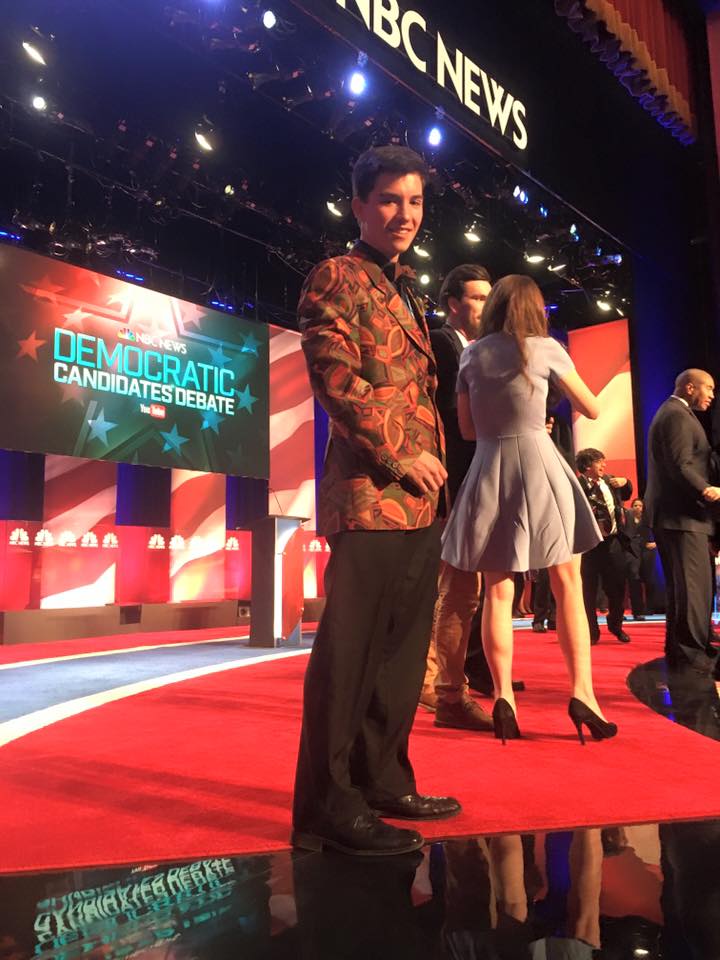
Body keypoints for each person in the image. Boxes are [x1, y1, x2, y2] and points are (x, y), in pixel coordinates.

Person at [292, 145, 460, 857]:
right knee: (350, 654)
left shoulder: (407, 287)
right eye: (390, 199)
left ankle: (383, 778)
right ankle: (326, 805)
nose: (404, 214)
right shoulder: (338, 276)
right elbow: (335, 379)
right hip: (370, 496)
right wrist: (400, 450)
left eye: (415, 201)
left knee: (399, 654)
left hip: (421, 502)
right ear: (358, 204)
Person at [441, 275, 616, 744]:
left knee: (497, 592)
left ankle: (502, 700)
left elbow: (466, 429)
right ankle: (583, 695)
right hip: (541, 468)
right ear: (535, 309)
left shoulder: (471, 354)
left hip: (488, 468)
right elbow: (594, 409)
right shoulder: (547, 349)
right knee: (567, 585)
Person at [419, 264, 495, 731]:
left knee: (464, 588)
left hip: (467, 478)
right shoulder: (446, 343)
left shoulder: (473, 349)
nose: (487, 306)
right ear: (453, 304)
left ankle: (444, 682)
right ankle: (435, 683)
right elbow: (450, 415)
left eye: (490, 296)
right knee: (454, 587)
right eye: (478, 297)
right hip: (452, 479)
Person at [645, 368, 720, 677]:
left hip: (679, 517)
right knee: (691, 588)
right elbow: (680, 464)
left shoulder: (675, 412)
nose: (713, 396)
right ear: (690, 387)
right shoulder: (677, 415)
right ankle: (691, 652)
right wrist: (706, 489)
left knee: (684, 588)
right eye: (709, 389)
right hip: (681, 516)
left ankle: (684, 649)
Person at [576, 449, 633, 644]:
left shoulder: (610, 481)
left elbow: (627, 493)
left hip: (613, 542)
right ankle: (592, 632)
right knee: (588, 591)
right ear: (587, 466)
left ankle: (615, 625)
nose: (604, 466)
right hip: (588, 545)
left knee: (617, 587)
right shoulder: (578, 485)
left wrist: (627, 482)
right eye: (599, 462)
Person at [622, 497, 658, 618]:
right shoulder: (628, 517)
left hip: (647, 551)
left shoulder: (648, 519)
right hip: (632, 551)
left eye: (640, 505)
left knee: (649, 579)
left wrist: (656, 543)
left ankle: (650, 607)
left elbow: (658, 530)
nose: (637, 507)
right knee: (634, 578)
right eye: (635, 505)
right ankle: (637, 610)